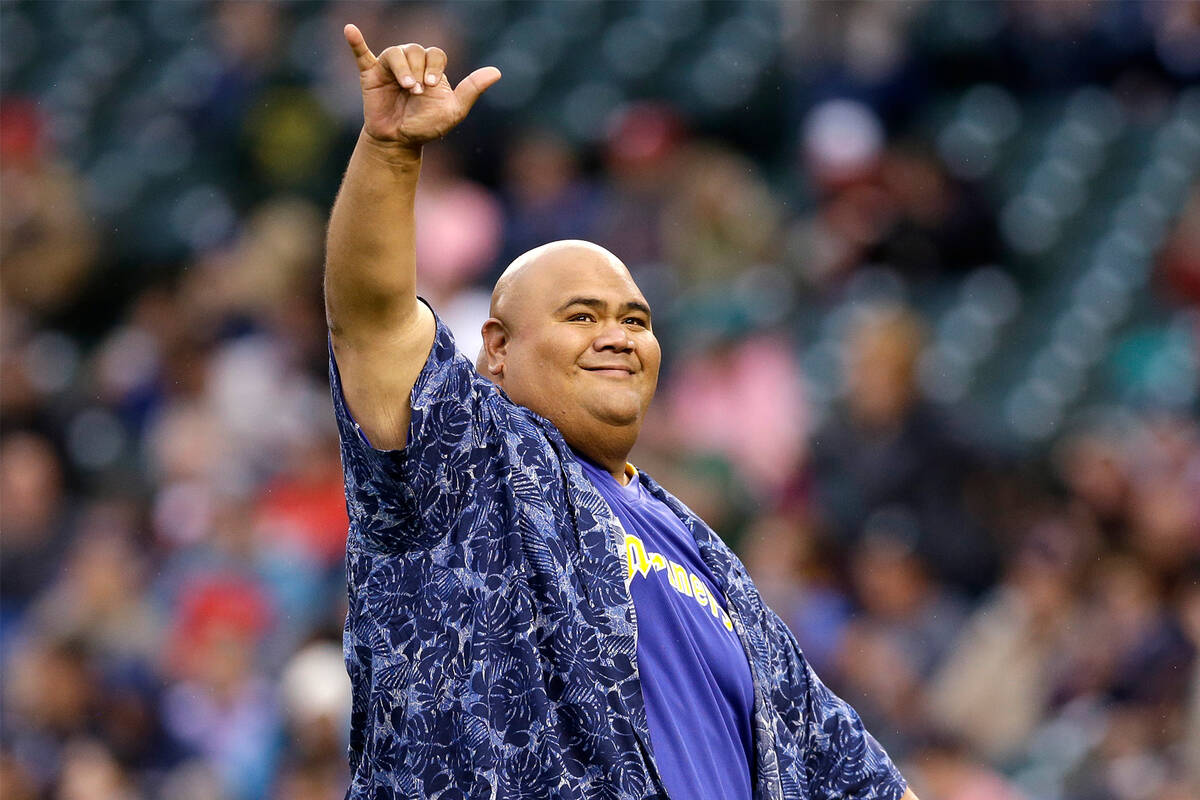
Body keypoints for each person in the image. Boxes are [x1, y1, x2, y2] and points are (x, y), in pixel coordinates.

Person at [325, 24, 918, 800]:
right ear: (496, 350)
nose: (618, 337)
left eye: (636, 320)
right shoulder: (466, 462)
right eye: (581, 316)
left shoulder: (710, 558)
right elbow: (368, 319)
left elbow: (852, 770)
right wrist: (392, 154)